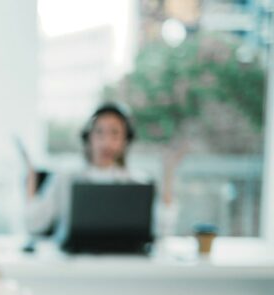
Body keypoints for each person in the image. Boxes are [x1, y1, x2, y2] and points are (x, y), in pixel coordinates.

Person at [24, 101, 184, 242]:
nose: (106, 142)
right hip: (76, 265)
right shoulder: (66, 178)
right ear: (88, 137)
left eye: (115, 134)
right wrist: (31, 176)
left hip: (124, 264)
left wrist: (168, 174)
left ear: (125, 141)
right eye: (100, 132)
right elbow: (35, 224)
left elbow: (162, 229)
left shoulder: (137, 182)